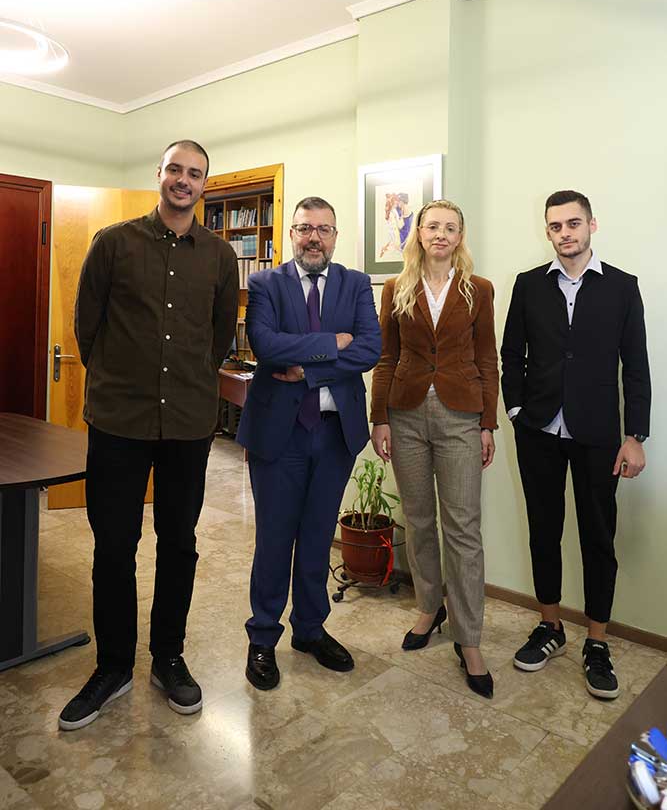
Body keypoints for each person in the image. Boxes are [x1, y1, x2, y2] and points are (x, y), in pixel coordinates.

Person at [58, 140, 239, 730]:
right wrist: (120, 379)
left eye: (195, 174)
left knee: (178, 543)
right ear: (158, 175)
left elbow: (219, 337)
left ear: (204, 185)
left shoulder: (219, 256)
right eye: (175, 170)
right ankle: (112, 666)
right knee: (114, 546)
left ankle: (168, 658)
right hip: (119, 423)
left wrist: (189, 381)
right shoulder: (112, 243)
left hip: (187, 423)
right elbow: (87, 326)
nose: (184, 180)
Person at [501, 190, 651, 700]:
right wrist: (516, 412)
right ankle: (550, 627)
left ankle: (597, 642)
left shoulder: (622, 287)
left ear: (591, 225)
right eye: (555, 226)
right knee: (543, 532)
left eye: (573, 223)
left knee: (598, 538)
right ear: (547, 231)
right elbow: (511, 355)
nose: (565, 233)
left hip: (598, 436)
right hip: (538, 432)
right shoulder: (528, 285)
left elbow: (636, 366)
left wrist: (634, 436)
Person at [237, 196, 381, 690]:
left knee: (319, 537)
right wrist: (331, 343)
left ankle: (310, 629)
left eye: (323, 229)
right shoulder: (265, 283)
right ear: (292, 234)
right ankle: (262, 636)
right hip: (279, 434)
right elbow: (265, 345)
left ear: (335, 236)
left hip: (335, 433)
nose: (313, 237)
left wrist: (308, 369)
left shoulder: (356, 284)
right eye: (304, 228)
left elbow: (369, 348)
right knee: (275, 538)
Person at [370, 199, 498, 699]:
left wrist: (487, 422)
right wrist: (379, 417)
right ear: (418, 233)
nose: (441, 234)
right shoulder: (396, 288)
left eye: (450, 227)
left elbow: (487, 359)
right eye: (432, 226)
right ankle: (429, 608)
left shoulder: (478, 290)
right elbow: (387, 356)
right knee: (419, 518)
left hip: (461, 414)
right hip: (405, 413)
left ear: (460, 236)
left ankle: (470, 638)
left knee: (463, 527)